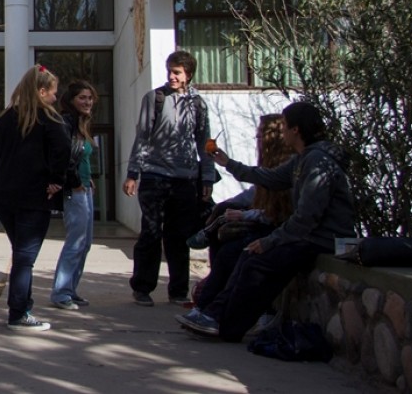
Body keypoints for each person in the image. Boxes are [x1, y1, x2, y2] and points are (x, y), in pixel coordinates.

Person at [176, 102, 356, 341]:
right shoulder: (304, 159)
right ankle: (214, 316)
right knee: (248, 255)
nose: (282, 132)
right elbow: (269, 178)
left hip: (322, 239)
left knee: (258, 262)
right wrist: (228, 163)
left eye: (284, 126)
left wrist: (270, 241)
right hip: (308, 236)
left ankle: (226, 325)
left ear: (296, 131)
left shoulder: (318, 162)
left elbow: (306, 218)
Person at [123, 50, 219, 307]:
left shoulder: (198, 104)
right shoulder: (154, 98)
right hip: (154, 176)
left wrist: (207, 178)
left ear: (188, 74)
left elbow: (204, 142)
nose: (172, 76)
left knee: (178, 237)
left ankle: (178, 290)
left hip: (185, 180)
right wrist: (133, 173)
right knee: (151, 232)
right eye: (170, 71)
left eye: (177, 72)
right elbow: (142, 137)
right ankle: (142, 287)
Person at [0, 65, 72, 333]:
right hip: (32, 195)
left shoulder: (5, 119)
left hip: (4, 194)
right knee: (25, 257)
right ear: (41, 91)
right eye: (53, 93)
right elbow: (63, 150)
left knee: (21, 253)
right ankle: (19, 313)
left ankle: (22, 305)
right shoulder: (50, 119)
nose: (54, 98)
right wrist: (56, 181)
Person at [191, 113, 294, 312]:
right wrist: (228, 204)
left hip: (277, 231)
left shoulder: (288, 167)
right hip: (266, 224)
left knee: (231, 253)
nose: (256, 141)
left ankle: (209, 308)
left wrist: (245, 215)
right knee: (223, 223)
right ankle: (206, 302)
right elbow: (255, 190)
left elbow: (279, 213)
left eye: (259, 136)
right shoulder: (270, 165)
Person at [50, 80, 98, 310]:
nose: (87, 101)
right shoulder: (66, 122)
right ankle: (61, 293)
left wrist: (88, 181)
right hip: (74, 190)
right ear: (71, 101)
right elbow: (65, 157)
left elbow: (83, 157)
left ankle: (71, 289)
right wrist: (76, 182)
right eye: (82, 98)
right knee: (75, 242)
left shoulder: (83, 124)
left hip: (85, 188)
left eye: (89, 98)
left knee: (85, 243)